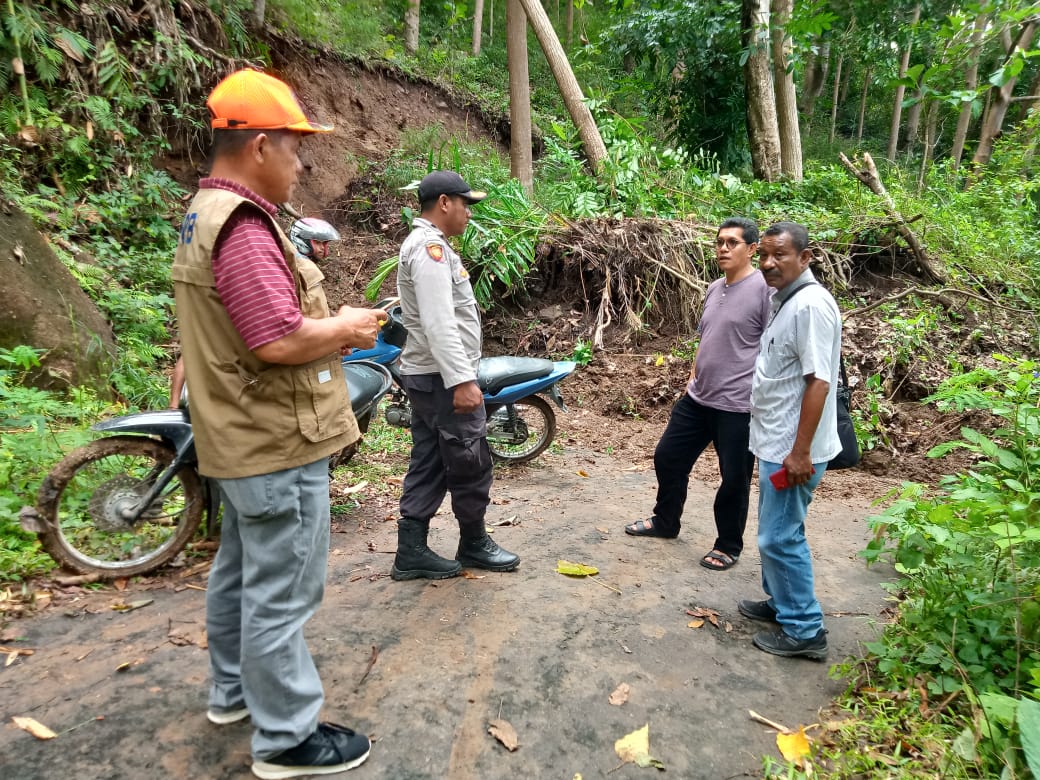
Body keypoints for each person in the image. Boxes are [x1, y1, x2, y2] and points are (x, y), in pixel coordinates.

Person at [170, 69, 385, 778]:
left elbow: (217, 328)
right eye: (295, 150)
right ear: (259, 145)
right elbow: (276, 340)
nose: (302, 165)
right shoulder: (244, 227)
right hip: (274, 441)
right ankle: (288, 738)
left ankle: (234, 694)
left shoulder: (203, 212)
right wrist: (347, 327)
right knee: (282, 591)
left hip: (237, 435)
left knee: (241, 572)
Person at [390, 170, 520, 580]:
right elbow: (439, 322)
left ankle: (411, 550)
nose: (468, 212)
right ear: (444, 202)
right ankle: (474, 542)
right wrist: (462, 381)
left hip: (430, 376)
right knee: (469, 456)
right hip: (442, 378)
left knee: (429, 458)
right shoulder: (429, 249)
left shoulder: (432, 246)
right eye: (465, 203)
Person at [624, 217, 772, 571]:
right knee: (667, 457)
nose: (723, 248)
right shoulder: (713, 287)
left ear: (752, 249)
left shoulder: (765, 291)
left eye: (733, 242)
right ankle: (666, 521)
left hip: (738, 406)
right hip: (698, 398)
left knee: (734, 478)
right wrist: (692, 377)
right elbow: (707, 339)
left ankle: (728, 544)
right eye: (720, 241)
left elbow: (773, 347)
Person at [738, 221, 842, 661]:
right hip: (775, 443)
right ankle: (782, 604)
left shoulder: (811, 306)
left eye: (779, 255)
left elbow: (819, 382)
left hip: (793, 451)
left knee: (780, 538)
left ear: (806, 257)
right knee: (775, 531)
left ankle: (804, 628)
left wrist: (800, 452)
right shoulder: (787, 301)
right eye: (763, 254)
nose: (767, 263)